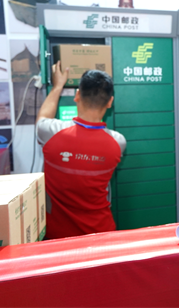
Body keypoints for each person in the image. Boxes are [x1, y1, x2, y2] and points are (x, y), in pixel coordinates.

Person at [36, 61, 126, 239]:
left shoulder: (51, 133)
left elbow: (43, 117)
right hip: (102, 234)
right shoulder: (118, 142)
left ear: (77, 95)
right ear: (110, 102)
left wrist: (58, 86)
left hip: (57, 237)